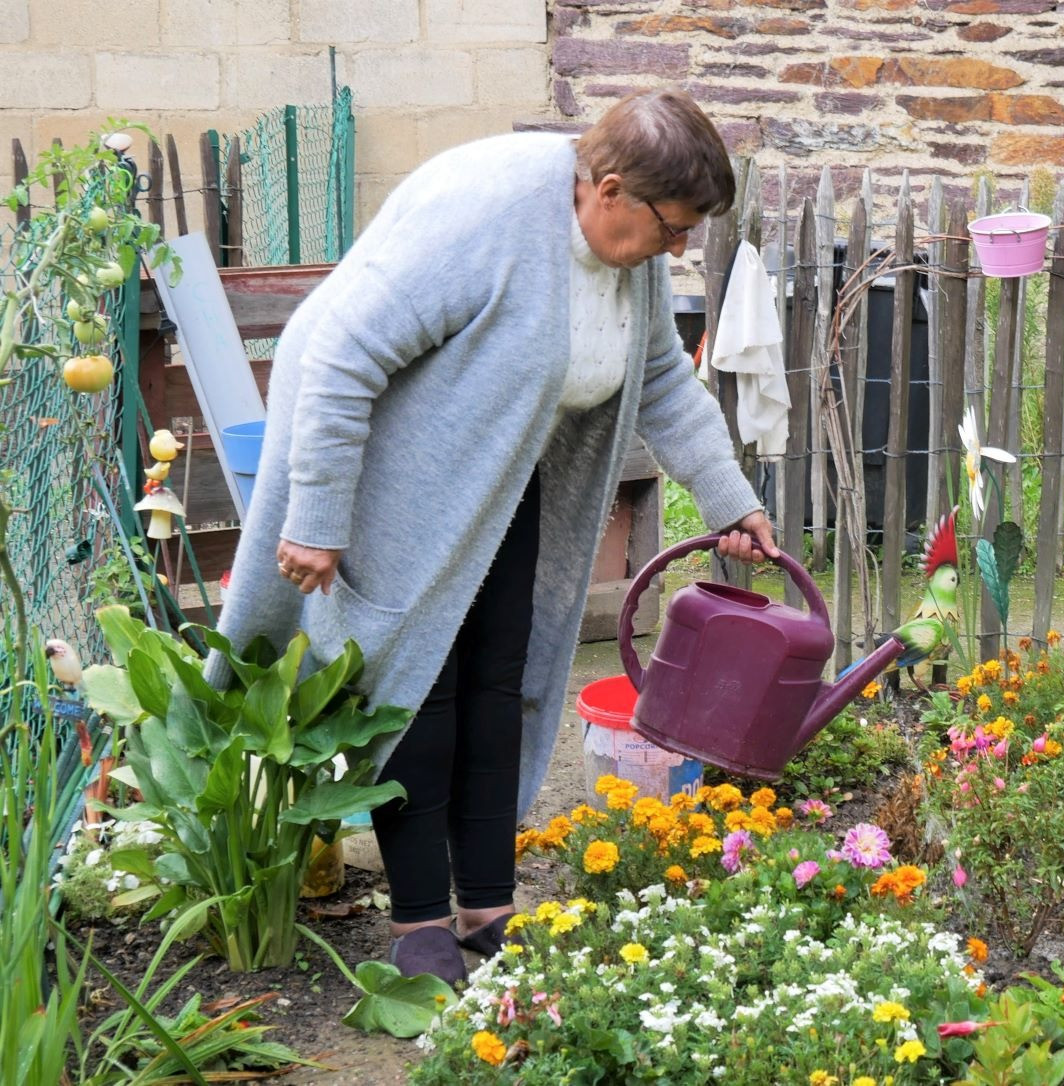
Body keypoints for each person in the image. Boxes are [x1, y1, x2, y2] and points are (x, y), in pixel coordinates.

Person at [212, 88, 777, 986]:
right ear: (612, 190)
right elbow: (340, 355)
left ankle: (486, 903)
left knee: (500, 680)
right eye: (674, 228)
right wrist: (318, 518)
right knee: (417, 691)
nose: (679, 250)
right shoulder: (484, 215)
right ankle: (418, 922)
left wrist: (730, 501)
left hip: (502, 472)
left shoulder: (625, 250)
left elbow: (664, 380)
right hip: (388, 470)